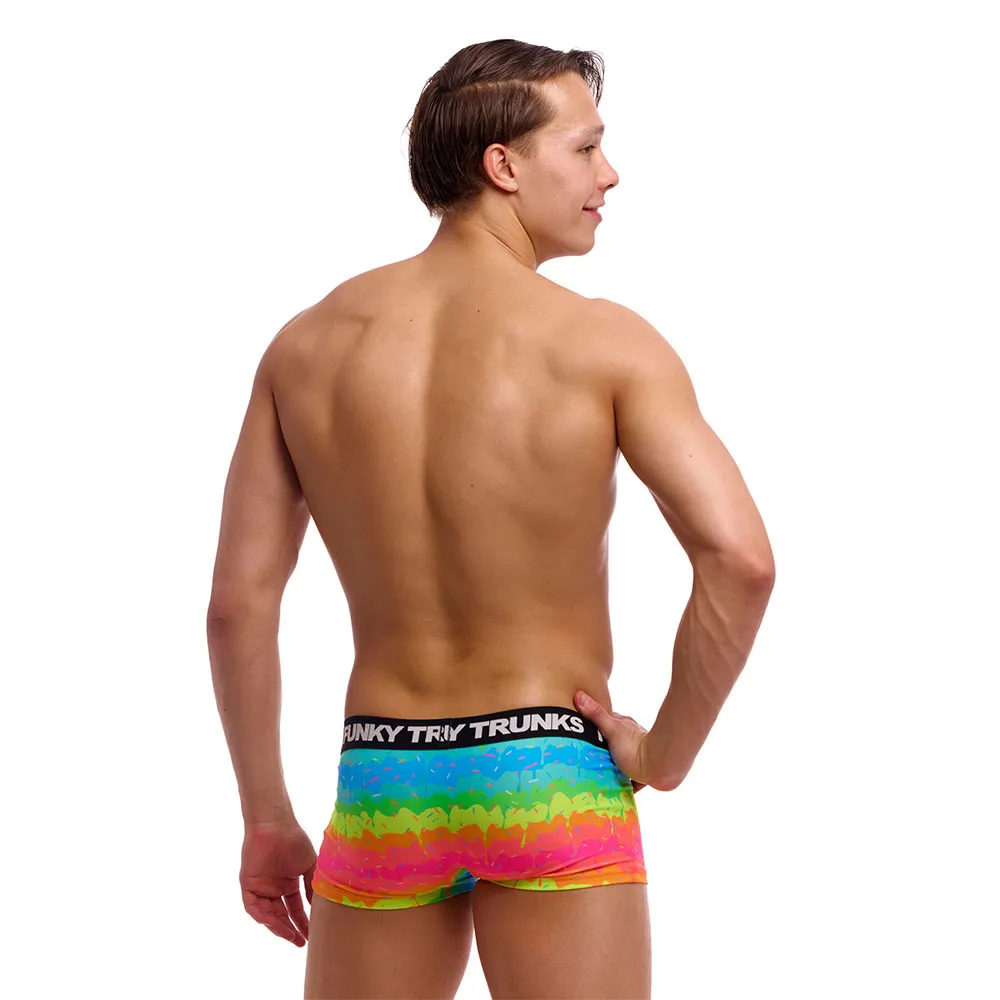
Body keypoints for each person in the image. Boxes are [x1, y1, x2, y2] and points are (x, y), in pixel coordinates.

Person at [206, 37, 775, 1000]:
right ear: (503, 166)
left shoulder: (306, 347)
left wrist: (267, 817)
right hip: (548, 765)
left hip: (385, 775)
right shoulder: (602, 341)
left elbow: (238, 604)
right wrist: (661, 755)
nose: (609, 173)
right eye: (586, 148)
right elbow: (741, 559)